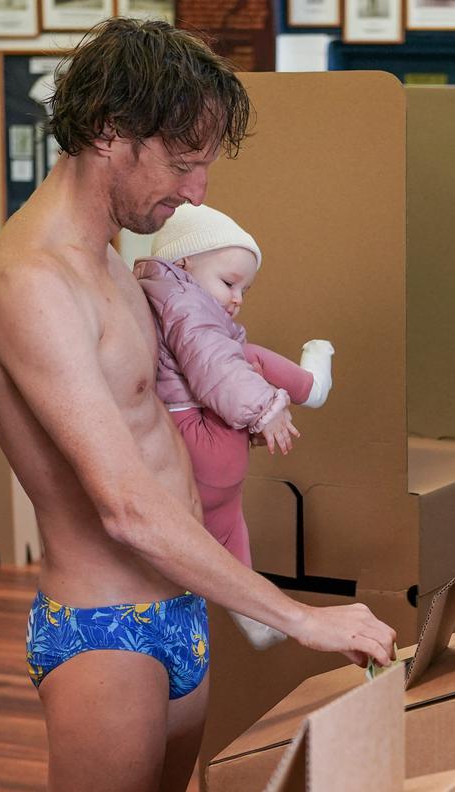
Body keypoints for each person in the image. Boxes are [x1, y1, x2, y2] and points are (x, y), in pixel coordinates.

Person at [0, 19, 395, 791]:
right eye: (185, 165)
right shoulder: (29, 281)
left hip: (179, 610)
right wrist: (298, 617)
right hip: (108, 630)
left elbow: (151, 419)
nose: (196, 194)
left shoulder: (111, 265)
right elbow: (124, 506)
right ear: (109, 130)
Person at [134, 203, 335, 648]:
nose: (237, 298)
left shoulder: (155, 296)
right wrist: (265, 409)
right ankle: (311, 386)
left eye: (245, 288)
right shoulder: (184, 302)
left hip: (181, 449)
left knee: (226, 522)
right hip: (199, 440)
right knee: (249, 358)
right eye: (229, 282)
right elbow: (215, 365)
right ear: (183, 264)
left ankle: (252, 612)